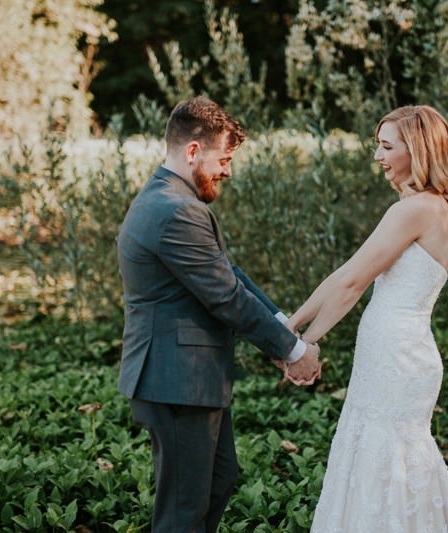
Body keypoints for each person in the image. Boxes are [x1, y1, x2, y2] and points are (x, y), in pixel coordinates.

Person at [116, 95, 321, 533]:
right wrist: (293, 350)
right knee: (183, 512)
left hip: (189, 381)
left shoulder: (172, 200)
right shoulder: (176, 211)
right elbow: (226, 297)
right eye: (223, 158)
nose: (227, 170)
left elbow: (230, 275)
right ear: (194, 151)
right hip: (176, 381)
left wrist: (283, 329)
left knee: (217, 482)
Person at [286, 105, 448, 532]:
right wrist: (289, 328)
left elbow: (352, 285)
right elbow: (345, 273)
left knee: (387, 459)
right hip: (394, 355)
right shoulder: (423, 208)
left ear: (417, 150)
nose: (378, 157)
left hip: (398, 359)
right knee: (380, 457)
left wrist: (305, 346)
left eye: (387, 147)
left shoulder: (416, 210)